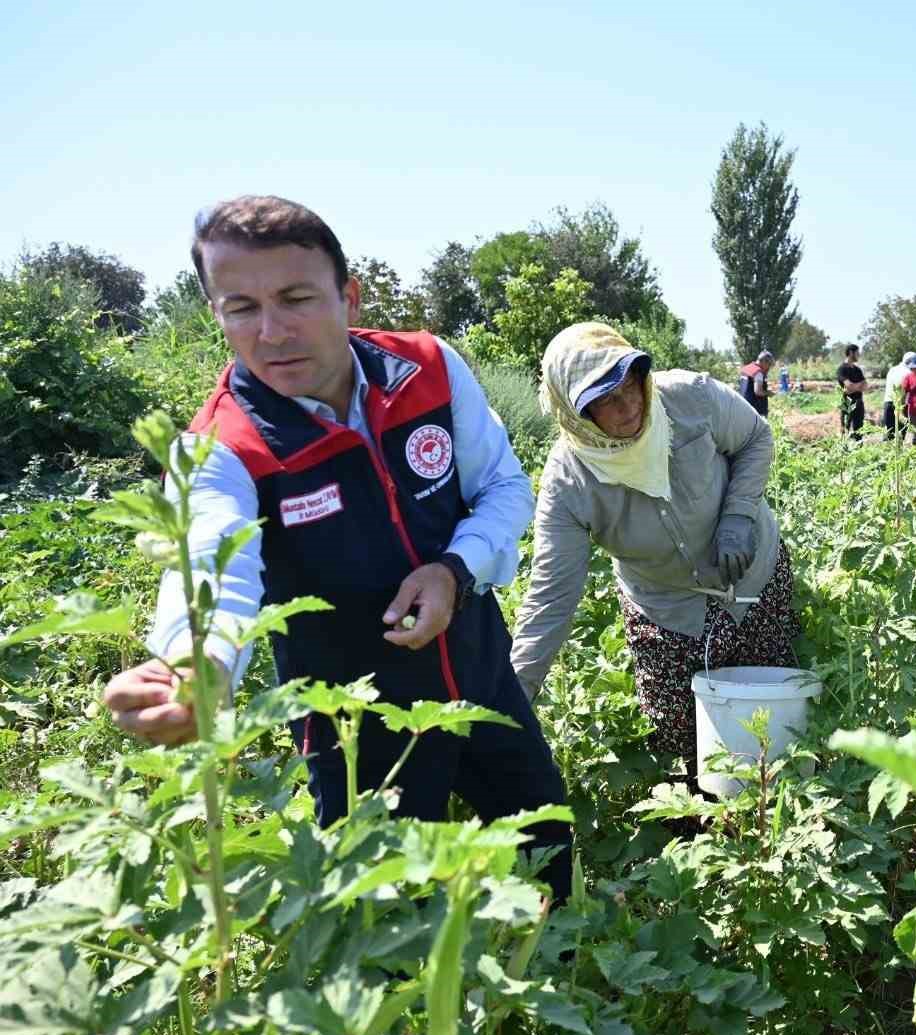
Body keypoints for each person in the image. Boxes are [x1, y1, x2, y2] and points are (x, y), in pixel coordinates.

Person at [98, 196, 572, 895]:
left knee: (548, 847)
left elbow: (503, 486)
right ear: (216, 316)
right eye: (241, 308)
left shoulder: (429, 370)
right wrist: (198, 661)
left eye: (296, 298)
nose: (272, 331)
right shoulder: (223, 448)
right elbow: (211, 561)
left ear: (346, 296)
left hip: (479, 676)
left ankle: (552, 979)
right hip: (355, 727)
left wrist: (453, 570)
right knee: (383, 916)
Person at [510, 323, 797, 780]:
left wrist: (739, 516)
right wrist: (509, 702)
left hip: (751, 576)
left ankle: (772, 824)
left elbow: (755, 437)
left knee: (768, 723)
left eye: (631, 386)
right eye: (604, 400)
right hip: (666, 610)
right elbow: (550, 596)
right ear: (575, 412)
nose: (629, 407)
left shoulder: (691, 398)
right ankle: (702, 834)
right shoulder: (570, 482)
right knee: (680, 737)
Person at [836, 343, 868, 440]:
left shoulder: (857, 369)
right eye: (857, 353)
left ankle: (858, 452)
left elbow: (865, 385)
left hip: (859, 403)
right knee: (845, 430)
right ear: (851, 353)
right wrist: (858, 386)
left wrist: (853, 387)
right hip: (847, 402)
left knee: (859, 431)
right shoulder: (842, 369)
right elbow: (848, 386)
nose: (859, 355)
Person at [881, 352, 913, 440]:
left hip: (888, 402)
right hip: (901, 404)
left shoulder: (893, 369)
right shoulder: (909, 372)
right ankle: (898, 452)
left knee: (888, 432)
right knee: (900, 434)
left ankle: (885, 452)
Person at [738, 350, 775, 417]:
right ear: (764, 361)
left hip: (742, 406)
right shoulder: (758, 373)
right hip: (754, 409)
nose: (768, 367)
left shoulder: (747, 368)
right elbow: (758, 391)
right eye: (769, 364)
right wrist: (768, 393)